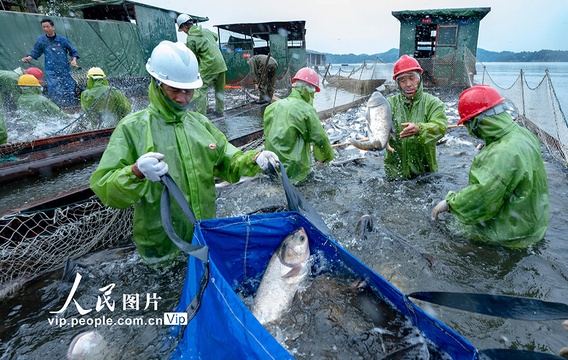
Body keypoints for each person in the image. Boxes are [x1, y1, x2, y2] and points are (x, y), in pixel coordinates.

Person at [90, 41, 279, 265]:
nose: (182, 98)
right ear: (157, 84)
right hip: (161, 249)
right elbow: (105, 187)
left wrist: (255, 158)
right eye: (174, 90)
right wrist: (135, 172)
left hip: (203, 239)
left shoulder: (200, 123)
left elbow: (228, 159)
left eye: (188, 91)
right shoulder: (133, 128)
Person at [431, 85, 549, 248]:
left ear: (478, 121)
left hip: (509, 234)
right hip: (532, 224)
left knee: (447, 232)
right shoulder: (523, 134)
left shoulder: (500, 152)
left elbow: (482, 198)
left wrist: (450, 204)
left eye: (468, 124)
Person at [263, 67, 334, 183]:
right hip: (294, 173)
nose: (314, 96)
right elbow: (320, 140)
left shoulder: (272, 107)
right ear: (309, 89)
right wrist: (328, 157)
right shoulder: (306, 110)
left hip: (271, 167)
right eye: (314, 92)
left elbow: (268, 134)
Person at [384, 55, 448, 180]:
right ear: (398, 84)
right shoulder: (389, 104)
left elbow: (440, 127)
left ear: (419, 79)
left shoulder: (433, 103)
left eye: (412, 78)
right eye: (403, 80)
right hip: (395, 172)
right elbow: (378, 122)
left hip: (425, 171)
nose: (408, 84)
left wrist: (420, 129)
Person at [177, 14, 227, 116]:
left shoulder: (191, 39)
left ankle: (201, 116)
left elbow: (193, 57)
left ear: (184, 26)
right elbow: (215, 37)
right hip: (221, 64)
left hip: (208, 66)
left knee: (200, 91)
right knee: (219, 89)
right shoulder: (206, 31)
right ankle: (220, 111)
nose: (184, 32)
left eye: (183, 30)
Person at [21, 18, 79, 107]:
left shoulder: (62, 40)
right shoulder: (41, 40)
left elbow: (73, 51)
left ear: (53, 27)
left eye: (47, 26)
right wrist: (28, 58)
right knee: (54, 90)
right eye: (43, 27)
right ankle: (57, 108)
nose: (45, 29)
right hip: (51, 70)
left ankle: (69, 108)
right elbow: (36, 52)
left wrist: (74, 60)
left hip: (64, 69)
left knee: (68, 87)